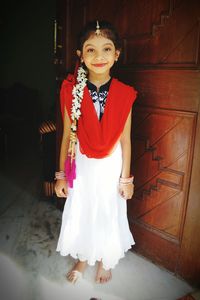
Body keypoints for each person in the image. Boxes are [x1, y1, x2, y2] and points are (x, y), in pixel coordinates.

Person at [54, 20, 138, 284]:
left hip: (111, 164)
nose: (99, 56)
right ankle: (82, 257)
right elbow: (68, 135)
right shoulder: (70, 90)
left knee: (107, 209)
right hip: (82, 163)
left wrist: (126, 179)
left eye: (106, 49)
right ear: (80, 55)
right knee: (83, 207)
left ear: (117, 54)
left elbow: (125, 140)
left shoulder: (125, 94)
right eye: (90, 50)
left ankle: (104, 259)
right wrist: (60, 175)